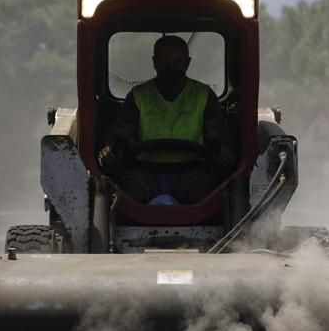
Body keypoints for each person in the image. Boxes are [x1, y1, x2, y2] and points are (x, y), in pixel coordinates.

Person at [98, 35, 235, 204]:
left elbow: (217, 132)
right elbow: (121, 131)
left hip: (191, 170)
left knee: (208, 198)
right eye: (165, 63)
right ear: (154, 62)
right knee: (124, 199)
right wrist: (109, 149)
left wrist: (225, 151)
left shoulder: (204, 95)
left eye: (177, 64)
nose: (171, 68)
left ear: (188, 62)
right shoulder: (139, 95)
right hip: (144, 170)